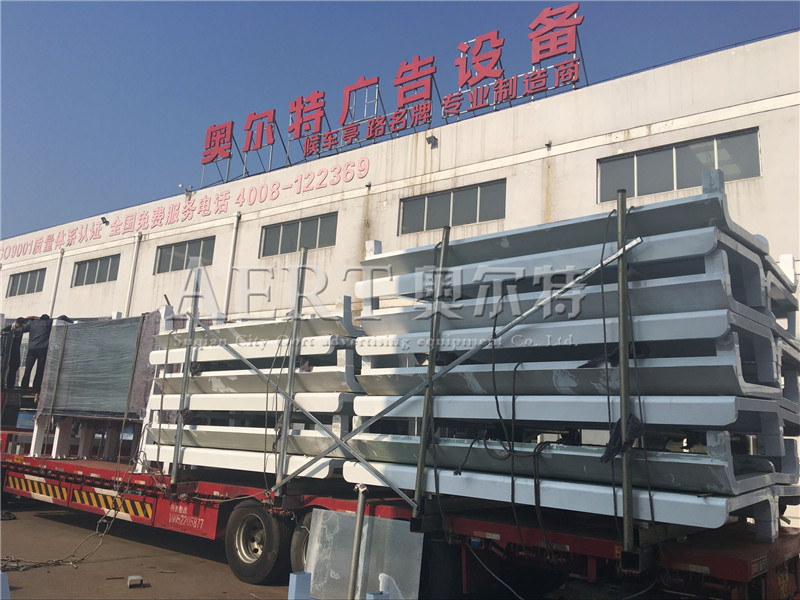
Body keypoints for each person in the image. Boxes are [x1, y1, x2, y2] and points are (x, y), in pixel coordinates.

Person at [20, 314, 53, 393]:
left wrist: (32, 317)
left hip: (32, 349)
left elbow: (23, 328)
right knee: (40, 369)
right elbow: (62, 317)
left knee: (28, 369)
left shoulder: (32, 323)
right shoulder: (48, 322)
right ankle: (36, 387)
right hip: (42, 349)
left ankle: (24, 386)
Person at [1, 317, 26, 389]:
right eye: (20, 325)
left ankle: (10, 384)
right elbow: (2, 333)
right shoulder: (9, 328)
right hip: (8, 351)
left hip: (16, 351)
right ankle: (4, 383)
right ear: (17, 323)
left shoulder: (20, 328)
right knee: (5, 367)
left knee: (15, 366)